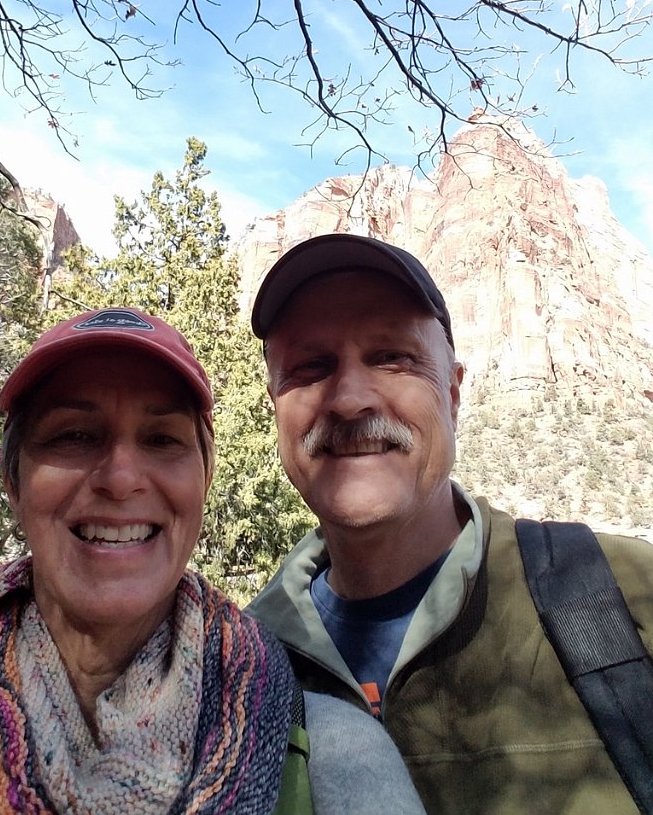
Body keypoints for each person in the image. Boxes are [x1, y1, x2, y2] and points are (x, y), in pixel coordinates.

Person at [0, 306, 427, 815]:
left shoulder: (334, 758)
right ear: (13, 479)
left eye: (162, 439)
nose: (121, 478)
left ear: (205, 477)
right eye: (74, 435)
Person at [246, 233, 653, 815]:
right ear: (275, 411)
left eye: (392, 358)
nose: (350, 398)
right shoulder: (237, 667)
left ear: (454, 394)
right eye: (311, 368)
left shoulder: (624, 595)